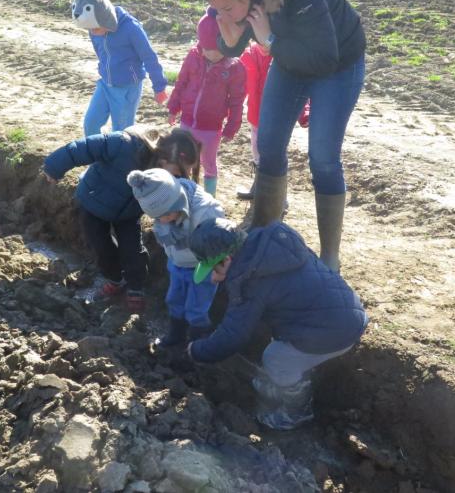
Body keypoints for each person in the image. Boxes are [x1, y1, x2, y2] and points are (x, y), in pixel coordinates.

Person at [195, 0, 367, 270]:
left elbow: (324, 59)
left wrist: (270, 41)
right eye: (217, 9)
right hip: (289, 55)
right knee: (270, 144)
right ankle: (263, 235)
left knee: (323, 158)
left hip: (337, 62)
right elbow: (234, 41)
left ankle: (329, 256)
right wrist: (228, 33)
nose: (223, 13)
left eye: (226, 7)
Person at [186, 217, 368, 430]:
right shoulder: (268, 247)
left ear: (226, 260)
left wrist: (197, 351)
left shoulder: (249, 280)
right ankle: (286, 377)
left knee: (276, 358)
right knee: (273, 335)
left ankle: (296, 411)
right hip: (345, 312)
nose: (212, 278)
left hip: (336, 332)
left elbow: (232, 336)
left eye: (213, 270)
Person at [43, 126, 160, 312]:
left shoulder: (160, 163)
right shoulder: (121, 143)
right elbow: (82, 149)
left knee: (132, 249)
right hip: (93, 202)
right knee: (100, 244)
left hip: (128, 212)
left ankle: (136, 286)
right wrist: (54, 167)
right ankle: (115, 277)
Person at [127, 168, 225, 346]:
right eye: (157, 218)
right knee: (174, 300)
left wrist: (219, 268)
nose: (163, 221)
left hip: (202, 266)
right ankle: (176, 335)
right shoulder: (163, 209)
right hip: (176, 262)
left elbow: (221, 243)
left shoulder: (206, 213)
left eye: (167, 215)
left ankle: (198, 343)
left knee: (196, 308)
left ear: (178, 202)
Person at [167, 7, 246, 197]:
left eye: (217, 50)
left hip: (211, 128)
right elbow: (181, 82)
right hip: (187, 121)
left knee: (209, 163)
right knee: (182, 158)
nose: (211, 54)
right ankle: (182, 192)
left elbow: (237, 101)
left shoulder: (234, 68)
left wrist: (232, 126)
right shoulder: (193, 56)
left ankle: (209, 197)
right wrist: (173, 107)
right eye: (207, 49)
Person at [70, 0, 169, 137]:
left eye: (96, 28)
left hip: (127, 87)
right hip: (105, 84)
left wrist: (159, 86)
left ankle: (121, 159)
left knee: (122, 134)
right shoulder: (93, 26)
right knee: (90, 124)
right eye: (89, 29)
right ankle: (98, 156)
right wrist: (103, 68)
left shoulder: (131, 28)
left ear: (105, 17)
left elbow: (149, 56)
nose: (93, 32)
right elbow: (101, 52)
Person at [237, 42, 309, 200]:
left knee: (275, 153)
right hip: (255, 115)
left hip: (276, 117)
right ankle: (258, 186)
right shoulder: (248, 56)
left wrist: (304, 113)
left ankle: (279, 197)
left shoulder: (283, 57)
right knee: (257, 150)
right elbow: (240, 86)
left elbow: (297, 88)